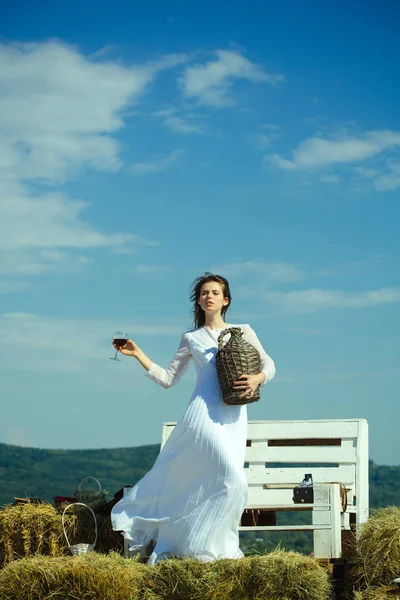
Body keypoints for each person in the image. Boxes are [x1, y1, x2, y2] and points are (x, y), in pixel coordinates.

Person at [111, 273, 276, 565]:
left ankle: (208, 548)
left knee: (218, 483)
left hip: (234, 415)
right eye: (203, 293)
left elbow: (269, 364)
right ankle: (200, 546)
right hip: (202, 416)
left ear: (225, 300)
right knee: (234, 479)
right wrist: (138, 354)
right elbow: (168, 379)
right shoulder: (191, 338)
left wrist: (257, 378)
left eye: (215, 292)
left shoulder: (243, 330)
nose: (208, 296)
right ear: (198, 301)